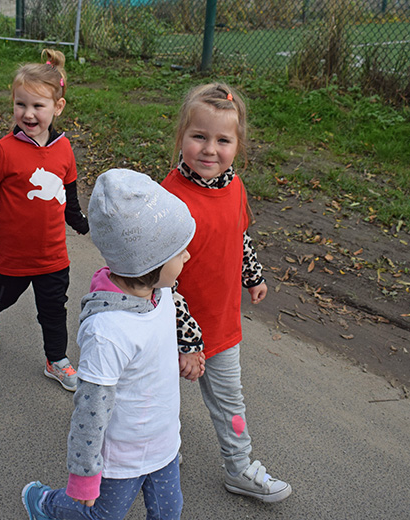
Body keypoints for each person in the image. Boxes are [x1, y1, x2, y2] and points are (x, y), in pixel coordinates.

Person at [22, 168, 196, 520]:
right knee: (101, 515)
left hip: (163, 444)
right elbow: (90, 408)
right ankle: (48, 505)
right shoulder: (109, 331)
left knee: (169, 512)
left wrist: (189, 346)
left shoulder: (160, 292)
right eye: (180, 253)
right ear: (148, 263)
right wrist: (84, 475)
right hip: (123, 456)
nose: (188, 258)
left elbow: (172, 320)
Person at [160, 82, 292, 502]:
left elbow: (240, 236)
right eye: (199, 136)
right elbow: (163, 281)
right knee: (161, 399)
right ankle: (160, 453)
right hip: (171, 331)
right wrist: (187, 343)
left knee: (231, 407)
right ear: (181, 136)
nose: (209, 149)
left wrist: (252, 276)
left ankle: (239, 467)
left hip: (222, 328)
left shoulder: (234, 187)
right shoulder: (170, 200)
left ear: (238, 145)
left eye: (223, 140)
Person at [0, 49, 89, 392]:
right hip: (14, 254)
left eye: (37, 106)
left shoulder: (64, 149)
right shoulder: (4, 150)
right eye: (21, 105)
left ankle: (56, 358)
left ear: (57, 108)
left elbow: (68, 196)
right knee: (2, 297)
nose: (28, 114)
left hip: (53, 254)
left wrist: (85, 225)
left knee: (54, 308)